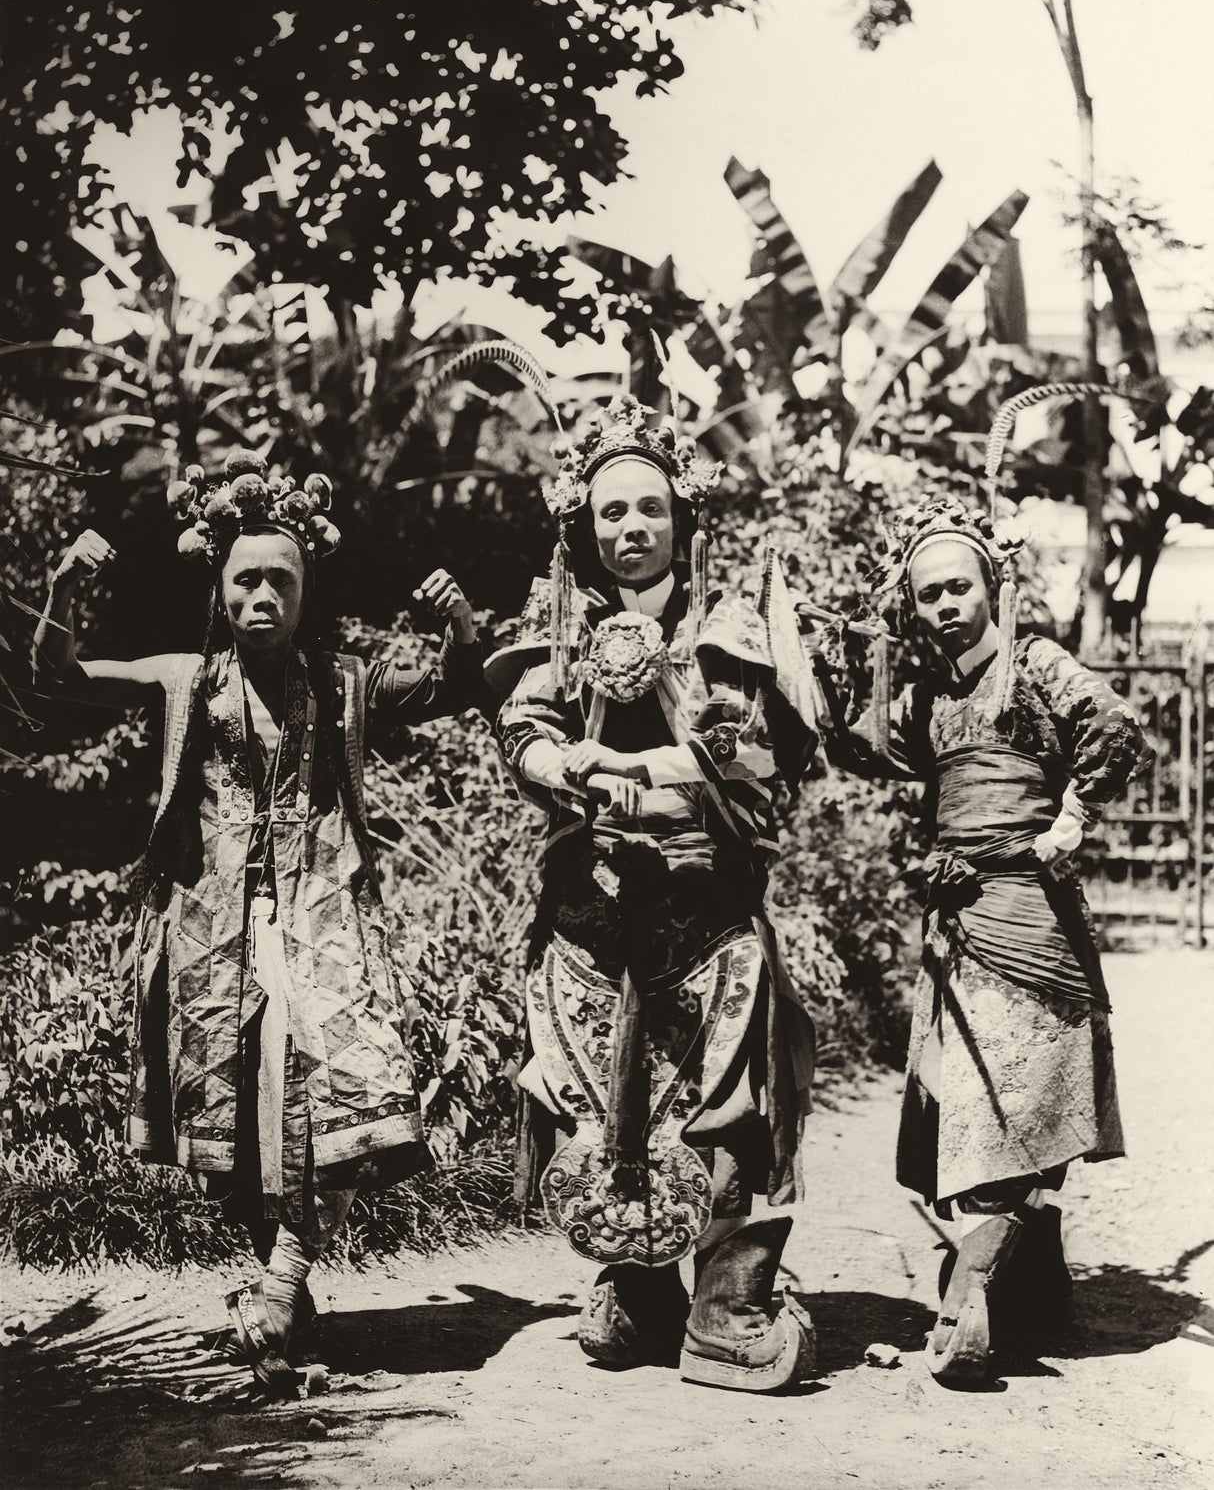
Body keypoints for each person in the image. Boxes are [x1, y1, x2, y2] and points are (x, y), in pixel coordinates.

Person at [32, 450, 482, 1396]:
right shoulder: (183, 680)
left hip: (320, 926)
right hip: (208, 933)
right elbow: (58, 671)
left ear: (306, 587)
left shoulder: (346, 685)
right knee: (232, 1122)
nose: (265, 594)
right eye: (247, 578)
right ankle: (284, 1278)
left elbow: (452, 687)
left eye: (283, 577)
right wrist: (64, 594)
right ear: (221, 587)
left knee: (330, 1091)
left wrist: (461, 629)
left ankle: (282, 1279)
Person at [489, 395, 817, 1394]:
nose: (628, 531)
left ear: (680, 518)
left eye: (646, 511)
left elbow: (753, 750)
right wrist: (557, 759)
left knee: (731, 1110)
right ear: (584, 533)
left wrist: (663, 767)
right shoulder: (563, 628)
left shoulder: (724, 625)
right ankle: (637, 1291)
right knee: (601, 1112)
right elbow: (524, 721)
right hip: (594, 924)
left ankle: (727, 1306)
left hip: (704, 917)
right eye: (608, 516)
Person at [818, 494, 1150, 1385]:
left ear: (994, 585)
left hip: (1031, 917)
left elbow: (1116, 726)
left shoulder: (1036, 663)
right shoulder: (931, 692)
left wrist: (1070, 819)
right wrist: (858, 659)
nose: (946, 607)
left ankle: (970, 1293)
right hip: (955, 924)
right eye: (928, 596)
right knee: (973, 1105)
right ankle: (1034, 1293)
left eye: (959, 586)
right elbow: (862, 748)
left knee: (1024, 1095)